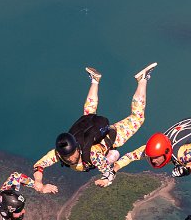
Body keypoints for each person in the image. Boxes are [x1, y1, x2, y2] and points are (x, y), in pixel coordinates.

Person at [33, 63, 157, 191]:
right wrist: (39, 183)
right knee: (88, 115)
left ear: (77, 148)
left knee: (137, 118)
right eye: (67, 157)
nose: (70, 159)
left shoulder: (93, 155)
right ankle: (94, 80)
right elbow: (39, 166)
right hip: (92, 134)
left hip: (112, 137)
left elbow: (109, 173)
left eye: (71, 154)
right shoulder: (59, 153)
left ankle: (142, 79)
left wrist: (106, 180)